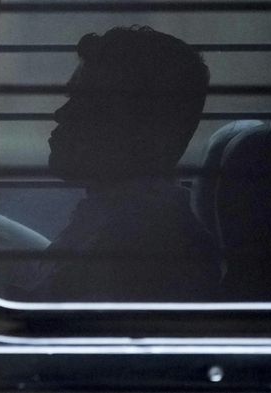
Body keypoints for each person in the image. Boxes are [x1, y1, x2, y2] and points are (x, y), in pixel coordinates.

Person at [25, 25, 220, 301]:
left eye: (89, 104)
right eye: (72, 99)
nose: (61, 114)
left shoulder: (143, 247)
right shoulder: (108, 221)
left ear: (147, 129)